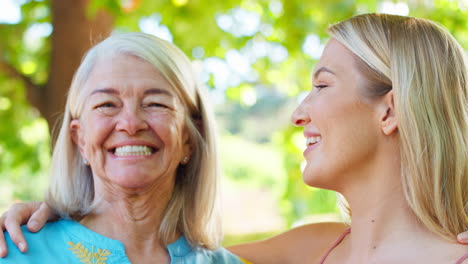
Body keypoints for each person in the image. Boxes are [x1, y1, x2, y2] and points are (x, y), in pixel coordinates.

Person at [1, 13, 468, 263]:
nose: (297, 113)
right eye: (106, 104)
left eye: (321, 85)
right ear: (77, 138)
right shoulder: (312, 250)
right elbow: (159, 251)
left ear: (390, 110)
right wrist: (48, 220)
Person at [0, 32, 249, 263]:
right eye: (107, 104)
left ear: (189, 139)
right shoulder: (17, 253)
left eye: (156, 104)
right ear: (80, 139)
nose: (130, 124)